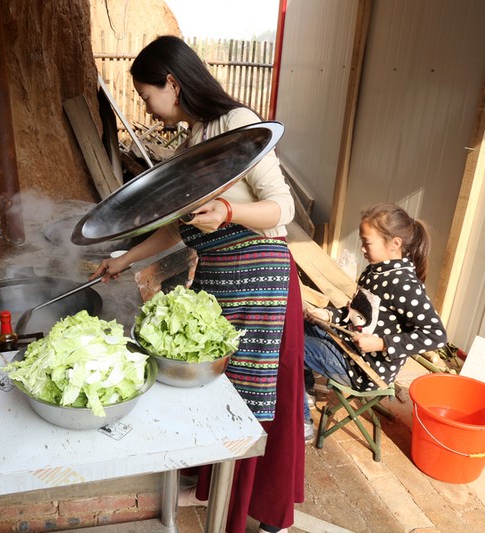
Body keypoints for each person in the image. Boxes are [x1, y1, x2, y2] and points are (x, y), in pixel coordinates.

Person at [90, 35, 305, 533]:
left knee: (250, 403)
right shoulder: (194, 139)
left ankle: (252, 512)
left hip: (260, 283)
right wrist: (124, 260)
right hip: (218, 284)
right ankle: (217, 490)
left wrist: (230, 210)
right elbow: (176, 225)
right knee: (218, 393)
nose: (147, 106)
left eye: (147, 95)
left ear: (172, 82)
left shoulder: (236, 125)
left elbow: (283, 208)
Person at [303, 203, 448, 423]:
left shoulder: (403, 285)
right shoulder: (374, 271)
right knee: (298, 324)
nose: (362, 248)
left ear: (395, 244)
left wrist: (381, 343)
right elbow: (358, 314)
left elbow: (436, 335)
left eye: (367, 242)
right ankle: (307, 391)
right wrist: (328, 315)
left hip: (363, 369)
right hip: (347, 349)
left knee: (289, 344)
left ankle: (301, 419)